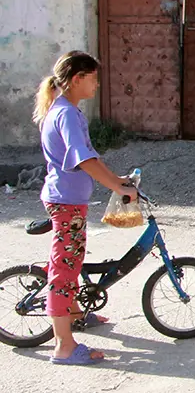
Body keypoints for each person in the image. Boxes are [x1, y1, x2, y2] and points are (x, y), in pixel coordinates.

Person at [34, 51, 139, 365]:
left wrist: (117, 179)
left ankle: (76, 313)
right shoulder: (65, 113)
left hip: (70, 200)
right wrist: (116, 187)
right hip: (65, 202)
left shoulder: (70, 110)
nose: (96, 86)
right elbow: (84, 160)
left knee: (73, 258)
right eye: (93, 79)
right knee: (64, 271)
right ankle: (64, 346)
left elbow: (89, 156)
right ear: (78, 78)